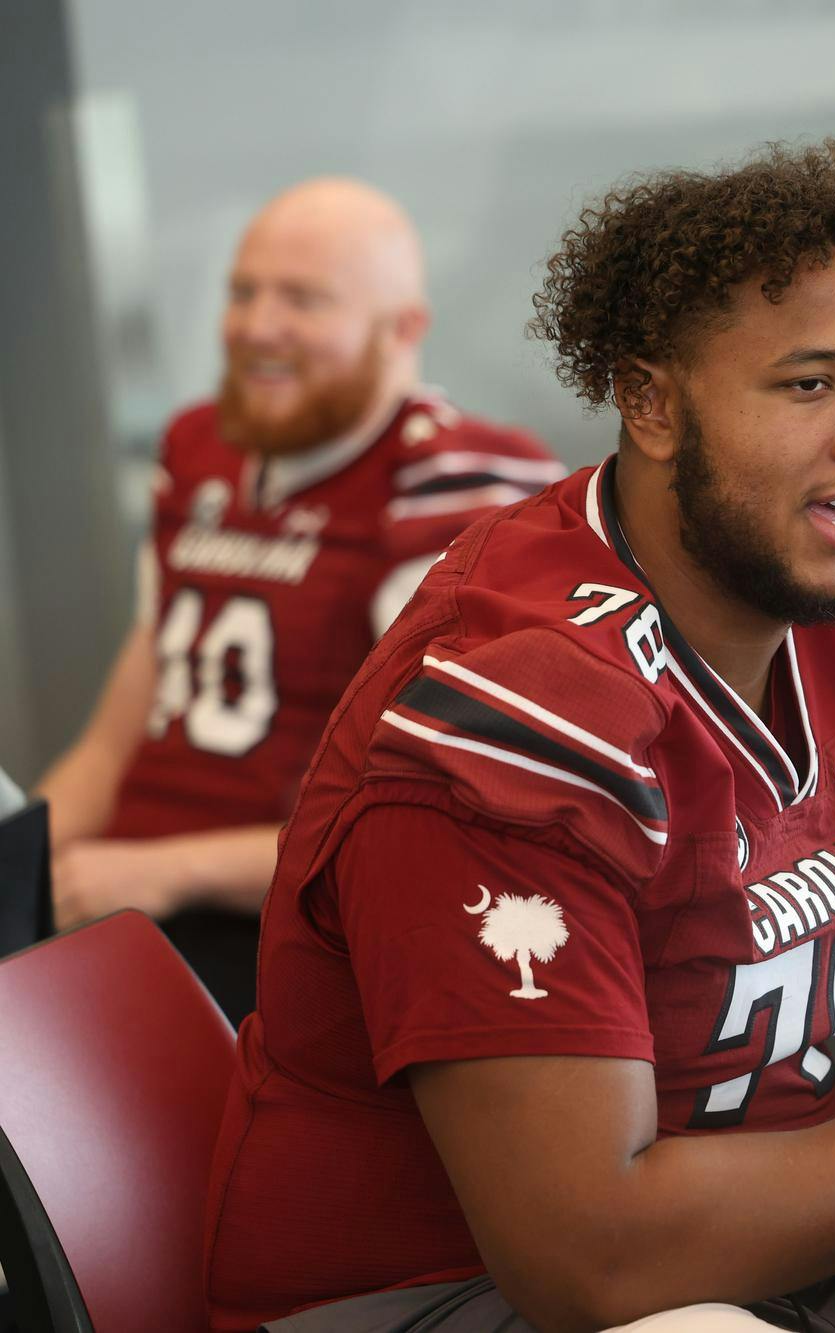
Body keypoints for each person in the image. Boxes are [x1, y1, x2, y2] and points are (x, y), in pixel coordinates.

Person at [204, 140, 835, 1333]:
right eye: (810, 383)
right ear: (653, 404)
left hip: (774, 1254)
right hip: (436, 1294)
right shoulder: (508, 713)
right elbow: (588, 1258)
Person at [32, 178, 561, 1020]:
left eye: (303, 300)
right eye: (244, 292)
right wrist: (30, 850)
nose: (257, 325)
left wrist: (165, 869)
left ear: (404, 330)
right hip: (122, 892)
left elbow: (436, 811)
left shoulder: (449, 480)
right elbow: (133, 703)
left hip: (285, 919)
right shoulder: (198, 445)